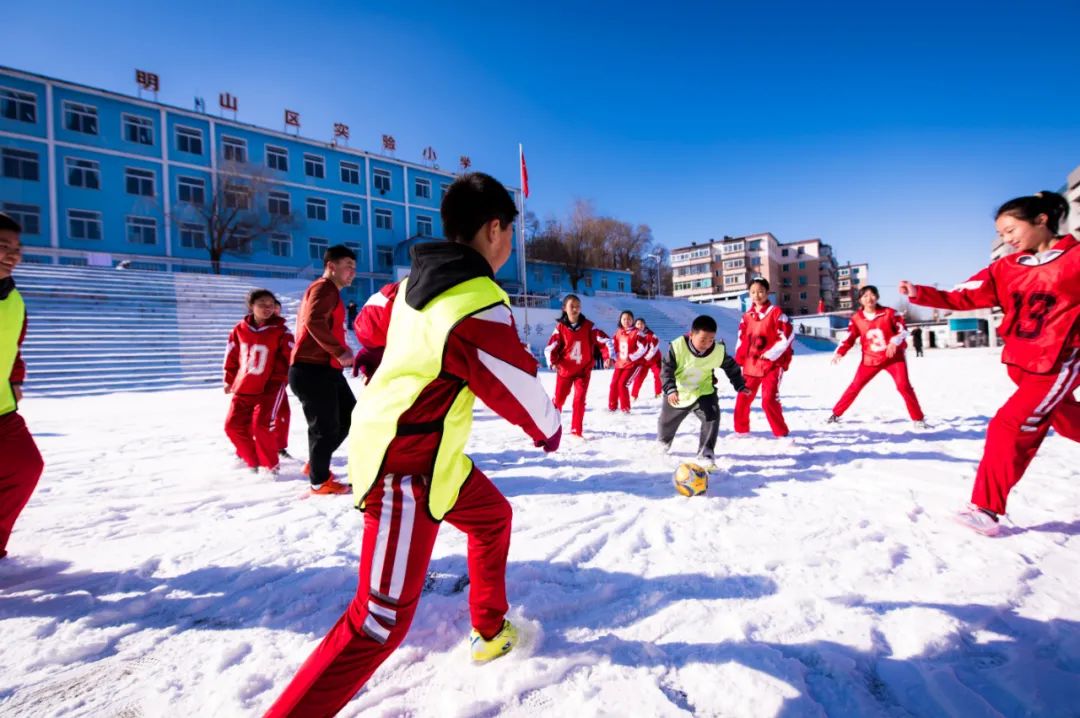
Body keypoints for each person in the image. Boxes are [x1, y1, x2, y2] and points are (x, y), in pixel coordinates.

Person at [265, 172, 562, 717]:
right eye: (512, 233)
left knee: (492, 517)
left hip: (434, 454)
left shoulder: (403, 285)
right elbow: (520, 388)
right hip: (404, 466)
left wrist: (380, 355)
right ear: (495, 229)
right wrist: (549, 429)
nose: (512, 245)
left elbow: (372, 325)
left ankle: (490, 629)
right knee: (377, 621)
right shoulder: (475, 301)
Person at [898, 191, 1079, 536]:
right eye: (1002, 234)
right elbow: (965, 294)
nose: (1006, 240)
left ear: (1042, 220)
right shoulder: (1006, 267)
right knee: (1068, 423)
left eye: (1011, 230)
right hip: (1021, 361)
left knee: (1008, 427)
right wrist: (921, 293)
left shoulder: (1076, 259)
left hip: (1057, 362)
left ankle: (985, 509)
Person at [289, 245, 357, 495]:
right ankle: (319, 481)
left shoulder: (329, 292)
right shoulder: (324, 287)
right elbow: (313, 321)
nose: (352, 272)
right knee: (325, 427)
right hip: (312, 369)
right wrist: (338, 351)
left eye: (354, 267)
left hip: (326, 369)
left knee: (349, 416)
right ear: (331, 266)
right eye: (348, 266)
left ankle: (316, 463)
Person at [0, 213, 44, 560]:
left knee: (25, 466)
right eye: (3, 246)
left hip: (2, 408)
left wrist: (15, 379)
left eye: (16, 248)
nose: (12, 254)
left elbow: (14, 346)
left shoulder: (15, 300)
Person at [828, 285, 927, 428]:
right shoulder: (856, 318)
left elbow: (903, 330)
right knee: (855, 386)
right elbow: (849, 337)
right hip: (870, 359)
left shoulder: (890, 313)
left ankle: (918, 419)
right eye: (865, 296)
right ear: (860, 300)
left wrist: (894, 341)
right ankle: (835, 414)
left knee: (903, 386)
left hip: (893, 358)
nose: (869, 298)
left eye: (872, 295)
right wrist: (840, 351)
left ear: (877, 297)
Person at [658, 315, 747, 470]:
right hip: (679, 392)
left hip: (703, 391)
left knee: (712, 417)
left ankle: (705, 454)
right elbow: (666, 370)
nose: (707, 344)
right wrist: (670, 389)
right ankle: (663, 444)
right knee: (666, 422)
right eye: (703, 339)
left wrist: (739, 384)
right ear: (691, 335)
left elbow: (731, 367)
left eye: (711, 339)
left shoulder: (717, 351)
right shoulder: (678, 347)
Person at [223, 289, 293, 476]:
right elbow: (231, 355)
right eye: (262, 304)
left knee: (262, 425)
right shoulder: (239, 329)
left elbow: (289, 359)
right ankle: (252, 461)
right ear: (251, 306)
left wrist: (280, 380)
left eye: (271, 305)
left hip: (270, 386)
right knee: (232, 426)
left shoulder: (281, 331)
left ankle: (270, 466)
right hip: (244, 385)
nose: (267, 308)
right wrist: (229, 379)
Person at [544, 293, 613, 439]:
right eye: (572, 306)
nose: (575, 309)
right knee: (559, 400)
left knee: (579, 399)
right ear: (564, 308)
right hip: (565, 370)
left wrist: (608, 356)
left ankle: (576, 430)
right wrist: (552, 362)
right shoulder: (560, 328)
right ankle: (550, 427)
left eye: (578, 306)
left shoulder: (589, 326)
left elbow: (605, 340)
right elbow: (551, 347)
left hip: (583, 370)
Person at [733, 278, 793, 438]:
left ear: (767, 292)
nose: (757, 295)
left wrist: (770, 354)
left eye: (760, 291)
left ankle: (781, 433)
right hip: (752, 364)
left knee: (768, 400)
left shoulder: (776, 313)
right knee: (743, 398)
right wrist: (739, 357)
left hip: (772, 364)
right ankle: (741, 431)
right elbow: (741, 337)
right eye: (753, 292)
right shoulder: (746, 316)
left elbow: (787, 336)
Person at [608, 310, 645, 412]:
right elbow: (613, 345)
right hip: (620, 363)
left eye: (629, 319)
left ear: (633, 320)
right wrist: (612, 357)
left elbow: (643, 348)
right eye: (624, 319)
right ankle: (612, 407)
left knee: (622, 384)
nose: (626, 321)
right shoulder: (618, 332)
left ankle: (625, 408)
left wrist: (632, 356)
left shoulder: (637, 333)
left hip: (633, 364)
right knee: (614, 384)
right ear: (620, 320)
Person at [272, 298, 293, 459]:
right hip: (263, 381)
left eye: (276, 308)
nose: (274, 311)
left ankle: (279, 447)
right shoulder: (250, 329)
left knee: (283, 413)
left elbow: (290, 356)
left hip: (278, 380)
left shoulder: (284, 332)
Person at [630, 318, 662, 401]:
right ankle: (634, 395)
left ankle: (658, 393)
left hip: (654, 360)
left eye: (641, 324)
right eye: (638, 324)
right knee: (639, 378)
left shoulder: (651, 335)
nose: (640, 326)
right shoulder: (633, 335)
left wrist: (646, 357)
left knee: (658, 375)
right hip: (642, 362)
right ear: (635, 325)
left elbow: (654, 348)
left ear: (644, 325)